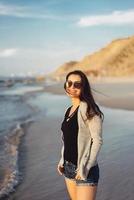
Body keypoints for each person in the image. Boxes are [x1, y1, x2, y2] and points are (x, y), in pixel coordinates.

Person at [57, 70, 104, 200]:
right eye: (69, 83)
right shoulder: (68, 110)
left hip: (84, 169)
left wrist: (87, 167)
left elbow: (97, 141)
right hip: (67, 167)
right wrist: (62, 160)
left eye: (77, 84)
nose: (72, 87)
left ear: (83, 88)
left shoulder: (89, 109)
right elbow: (66, 140)